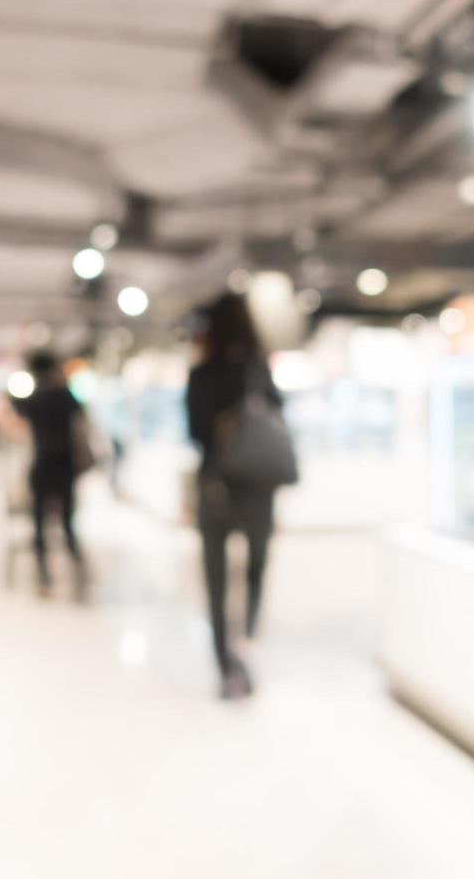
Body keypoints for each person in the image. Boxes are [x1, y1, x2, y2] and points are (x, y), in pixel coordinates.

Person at [186, 293, 285, 700]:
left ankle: (224, 662)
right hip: (258, 486)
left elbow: (195, 433)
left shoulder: (202, 373)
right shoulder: (257, 370)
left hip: (215, 484)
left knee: (215, 576)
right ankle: (246, 643)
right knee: (256, 568)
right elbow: (279, 419)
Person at [10, 352, 89, 596]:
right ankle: (77, 572)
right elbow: (81, 410)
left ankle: (44, 576)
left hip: (42, 465)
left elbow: (16, 406)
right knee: (67, 522)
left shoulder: (35, 398)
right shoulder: (65, 396)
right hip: (65, 467)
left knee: (40, 523)